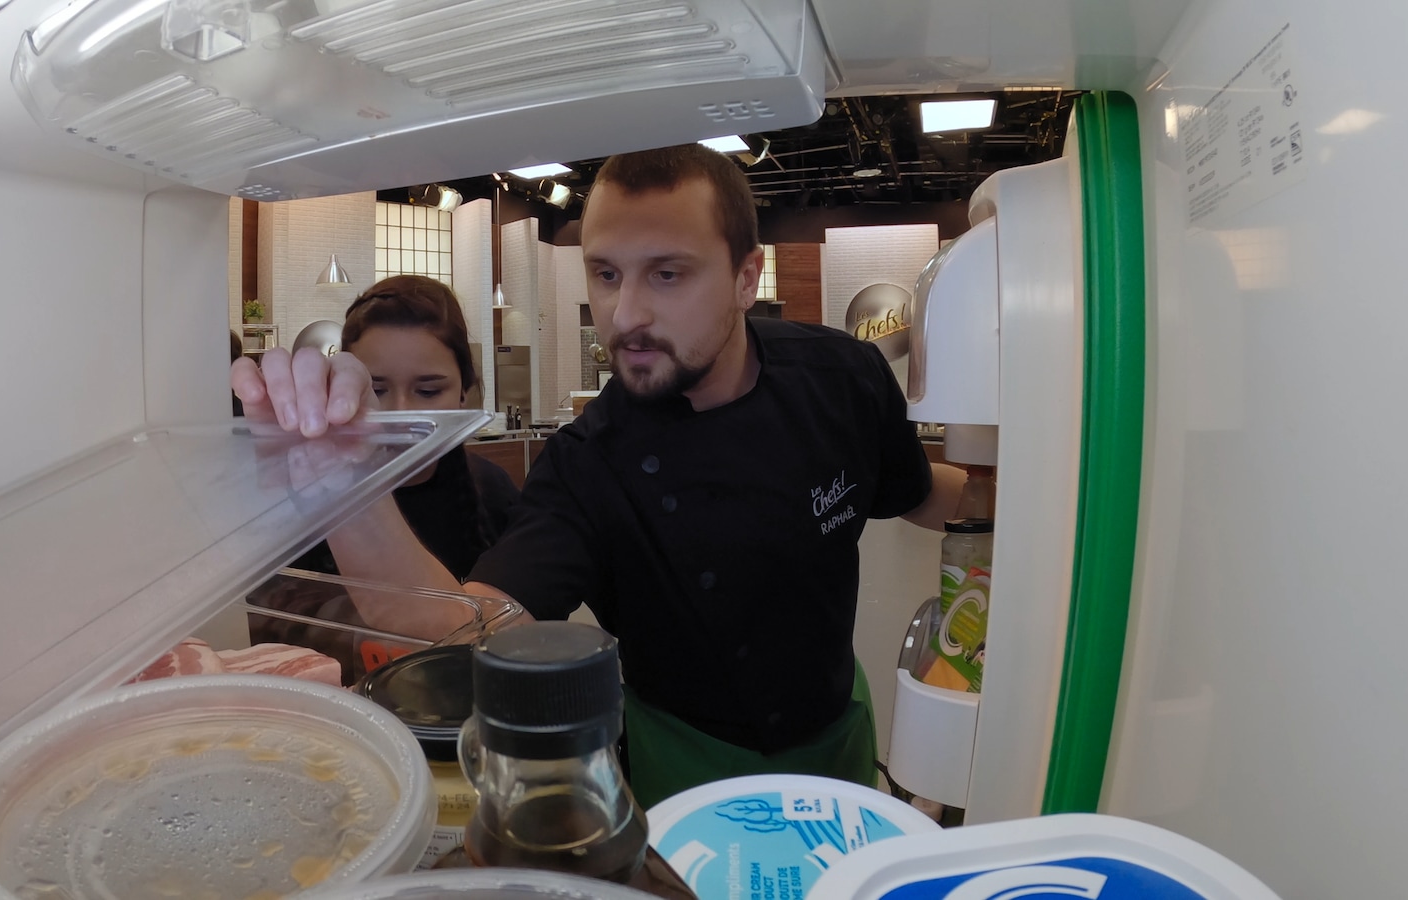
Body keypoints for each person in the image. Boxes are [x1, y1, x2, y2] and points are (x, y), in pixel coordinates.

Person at [232, 145, 964, 806]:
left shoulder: (840, 376)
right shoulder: (589, 459)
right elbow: (456, 621)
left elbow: (928, 496)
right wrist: (339, 474)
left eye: (667, 274)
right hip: (680, 755)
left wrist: (1047, 487)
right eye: (606, 274)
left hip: (838, 732)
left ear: (746, 278)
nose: (625, 314)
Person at [286, 275, 520, 581]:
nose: (401, 414)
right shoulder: (306, 500)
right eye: (376, 390)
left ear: (463, 393)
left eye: (428, 392)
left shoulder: (494, 492)